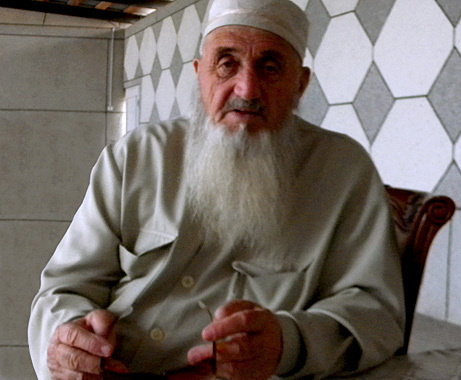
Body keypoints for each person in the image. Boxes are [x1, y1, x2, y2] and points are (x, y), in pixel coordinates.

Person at [28, 0, 405, 379]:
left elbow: (377, 315)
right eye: (226, 63)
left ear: (300, 85)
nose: (247, 88)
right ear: (199, 75)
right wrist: (70, 342)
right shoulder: (135, 156)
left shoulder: (343, 171)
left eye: (270, 67)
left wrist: (287, 343)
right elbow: (63, 288)